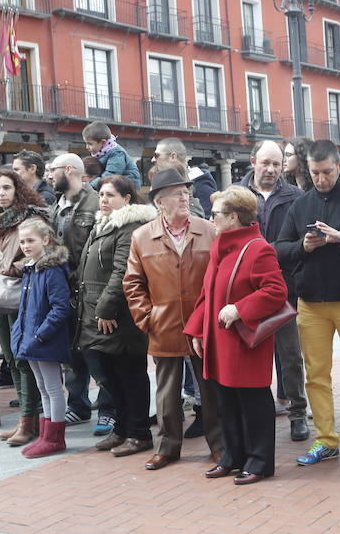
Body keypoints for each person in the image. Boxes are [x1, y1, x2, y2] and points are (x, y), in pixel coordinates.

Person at [274, 139, 340, 470]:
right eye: (314, 173)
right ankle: (326, 439)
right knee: (316, 375)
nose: (320, 179)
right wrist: (302, 247)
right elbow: (278, 247)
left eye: (326, 172)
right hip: (310, 301)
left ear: (339, 165)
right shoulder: (300, 204)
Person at [184, 186, 287, 485]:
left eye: (216, 213)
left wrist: (240, 309)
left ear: (233, 217)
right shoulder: (220, 245)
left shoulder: (258, 248)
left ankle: (259, 462)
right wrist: (197, 330)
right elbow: (207, 292)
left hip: (244, 341)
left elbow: (276, 292)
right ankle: (232, 456)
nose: (211, 218)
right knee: (225, 400)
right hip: (219, 339)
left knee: (253, 401)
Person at [124, 169, 223, 471]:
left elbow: (220, 275)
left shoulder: (209, 230)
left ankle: (220, 446)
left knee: (211, 388)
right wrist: (147, 318)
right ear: (159, 201)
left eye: (186, 192)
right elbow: (132, 283)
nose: (185, 198)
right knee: (166, 393)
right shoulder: (142, 236)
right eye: (177, 194)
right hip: (163, 324)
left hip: (203, 324)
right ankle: (167, 447)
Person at [78, 176, 156, 457]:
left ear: (127, 198)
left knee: (130, 376)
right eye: (101, 195)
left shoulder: (130, 227)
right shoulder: (102, 225)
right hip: (97, 315)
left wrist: (105, 308)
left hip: (121, 317)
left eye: (110, 195)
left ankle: (139, 433)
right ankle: (121, 429)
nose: (104, 200)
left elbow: (122, 270)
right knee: (110, 376)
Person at [237, 141, 309, 442]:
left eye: (277, 164)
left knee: (290, 354)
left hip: (284, 288)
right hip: (246, 290)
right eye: (265, 162)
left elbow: (303, 241)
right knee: (249, 354)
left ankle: (297, 413)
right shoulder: (237, 196)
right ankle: (257, 413)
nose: (271, 169)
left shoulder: (296, 196)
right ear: (253, 161)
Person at [0, 169, 47, 447]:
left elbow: (42, 252)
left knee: (23, 357)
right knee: (10, 357)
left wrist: (8, 270)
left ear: (18, 189)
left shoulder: (32, 218)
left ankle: (30, 420)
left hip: (22, 292)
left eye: (6, 188)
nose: (1, 193)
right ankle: (25, 419)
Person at [48, 153, 115, 436]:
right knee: (71, 352)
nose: (48, 175)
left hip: (89, 288)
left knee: (97, 353)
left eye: (52, 170)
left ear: (69, 170)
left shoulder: (95, 201)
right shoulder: (55, 206)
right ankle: (78, 404)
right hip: (63, 291)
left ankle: (110, 409)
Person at [10, 218, 73, 458]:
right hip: (32, 339)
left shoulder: (51, 270)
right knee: (42, 388)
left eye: (31, 240)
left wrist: (40, 334)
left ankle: (55, 438)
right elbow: (25, 308)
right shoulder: (30, 268)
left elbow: (60, 307)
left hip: (44, 339)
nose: (25, 245)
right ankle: (47, 435)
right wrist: (21, 334)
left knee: (53, 388)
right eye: (22, 241)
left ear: (45, 240)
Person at [152, 138, 217, 215]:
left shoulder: (201, 184)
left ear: (173, 156)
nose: (153, 159)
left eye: (156, 155)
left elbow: (208, 221)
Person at [82, 122, 142, 189]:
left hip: (129, 187)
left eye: (90, 144)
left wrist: (90, 186)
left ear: (103, 142)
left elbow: (110, 176)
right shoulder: (101, 152)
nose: (87, 147)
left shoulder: (117, 154)